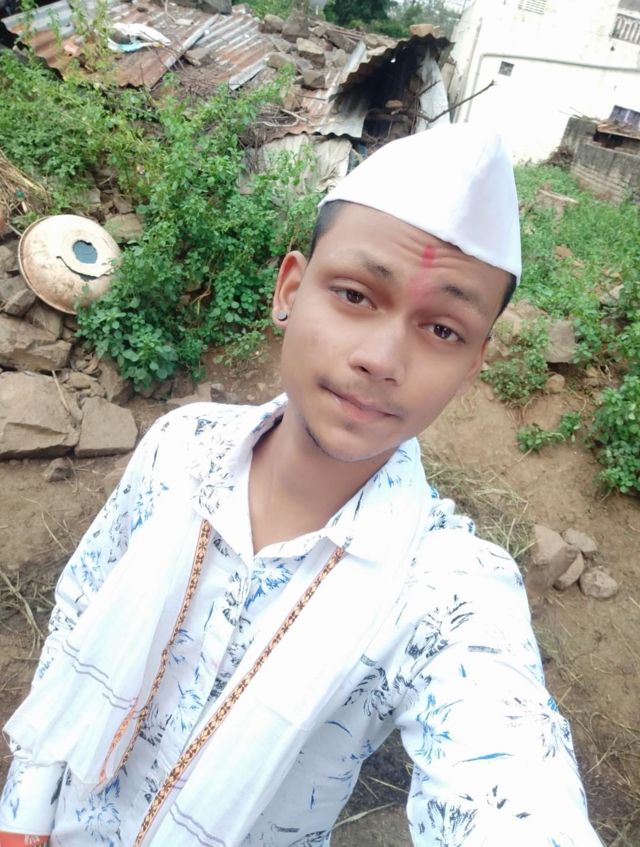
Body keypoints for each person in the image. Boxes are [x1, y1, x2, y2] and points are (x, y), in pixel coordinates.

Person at [0, 124, 602, 847]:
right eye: (354, 294)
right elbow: (80, 606)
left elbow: (513, 787)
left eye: (443, 330)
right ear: (289, 289)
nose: (382, 358)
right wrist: (23, 809)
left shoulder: (448, 594)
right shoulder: (178, 448)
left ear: (473, 365)